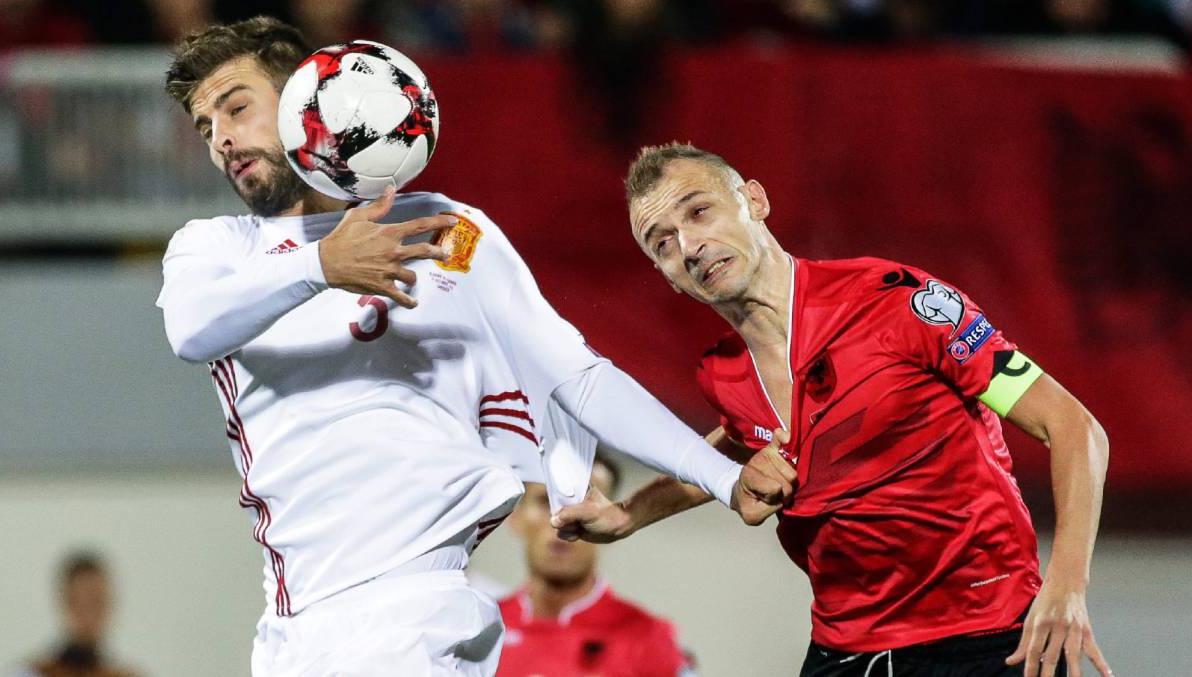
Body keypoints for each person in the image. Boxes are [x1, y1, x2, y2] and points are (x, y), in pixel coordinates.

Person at [157, 19, 789, 676]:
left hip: (406, 617)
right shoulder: (217, 248)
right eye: (206, 128)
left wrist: (724, 477)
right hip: (292, 628)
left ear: (306, 101)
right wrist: (323, 262)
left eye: (235, 106)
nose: (223, 139)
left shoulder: (446, 233)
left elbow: (580, 377)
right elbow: (190, 329)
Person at [552, 142, 1113, 677]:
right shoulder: (721, 374)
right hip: (845, 651)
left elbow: (1072, 427)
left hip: (989, 635)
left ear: (755, 200)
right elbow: (737, 443)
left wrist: (1066, 586)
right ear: (666, 277)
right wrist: (627, 515)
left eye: (699, 212)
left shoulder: (899, 302)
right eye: (663, 243)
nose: (689, 246)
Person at [499, 455, 696, 677]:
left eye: (584, 505)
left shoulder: (648, 639)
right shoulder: (479, 627)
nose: (562, 519)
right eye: (547, 502)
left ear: (608, 521)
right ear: (515, 517)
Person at [14, 551, 139, 677]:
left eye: (97, 602)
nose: (89, 615)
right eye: (80, 602)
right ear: (64, 603)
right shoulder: (31, 673)